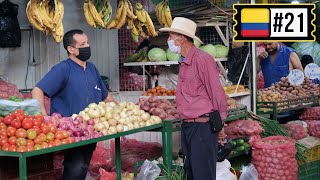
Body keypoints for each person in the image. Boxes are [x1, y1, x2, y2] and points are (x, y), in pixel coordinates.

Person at [31, 29, 117, 180]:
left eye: (88, 42)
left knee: (82, 166)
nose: (87, 46)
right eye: (82, 44)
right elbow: (38, 90)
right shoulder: (63, 68)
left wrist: (120, 111)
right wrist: (44, 117)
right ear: (71, 49)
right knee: (75, 168)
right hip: (70, 132)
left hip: (90, 130)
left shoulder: (91, 68)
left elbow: (106, 96)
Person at [160, 17, 227, 180]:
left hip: (203, 127)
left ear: (180, 39)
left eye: (170, 36)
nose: (168, 40)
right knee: (191, 173)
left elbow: (217, 93)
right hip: (188, 126)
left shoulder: (203, 60)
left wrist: (220, 124)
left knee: (202, 175)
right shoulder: (183, 62)